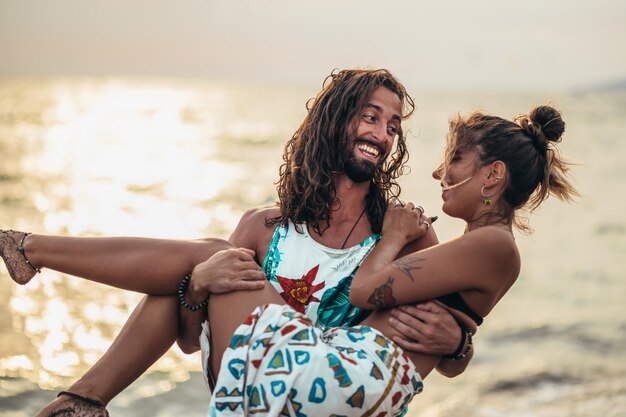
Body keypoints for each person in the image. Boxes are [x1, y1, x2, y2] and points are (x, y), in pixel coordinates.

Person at [0, 69, 465, 416]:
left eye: (392, 127)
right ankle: (79, 398)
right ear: (334, 120)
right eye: (371, 117)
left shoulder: (404, 234)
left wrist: (458, 345)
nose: (382, 134)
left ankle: (36, 267)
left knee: (205, 252)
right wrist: (198, 287)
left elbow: (440, 358)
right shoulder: (264, 228)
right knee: (201, 262)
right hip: (245, 390)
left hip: (329, 401)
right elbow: (186, 340)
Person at [190, 103, 577, 415]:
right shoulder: (479, 245)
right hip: (344, 379)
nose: (439, 172)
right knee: (204, 262)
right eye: (370, 117)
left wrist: (392, 236)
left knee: (213, 254)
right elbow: (441, 328)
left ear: (492, 175)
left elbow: (364, 291)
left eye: (456, 158)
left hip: (347, 378)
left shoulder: (491, 244)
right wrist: (459, 344)